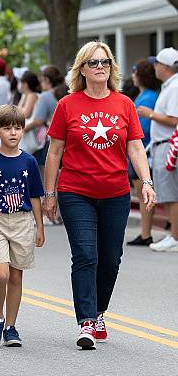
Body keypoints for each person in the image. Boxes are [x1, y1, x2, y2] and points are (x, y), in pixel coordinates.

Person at [44, 41, 156, 350]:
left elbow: (135, 146)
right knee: (85, 255)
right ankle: (87, 322)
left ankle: (99, 311)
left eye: (105, 62)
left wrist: (146, 182)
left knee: (110, 259)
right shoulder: (67, 105)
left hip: (115, 192)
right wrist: (49, 193)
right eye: (93, 63)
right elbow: (55, 151)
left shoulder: (124, 104)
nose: (100, 67)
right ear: (82, 69)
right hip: (75, 191)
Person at [0, 105, 44, 347]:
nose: (13, 133)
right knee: (1, 273)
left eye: (18, 128)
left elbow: (35, 196)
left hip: (22, 222)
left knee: (15, 275)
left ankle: (11, 327)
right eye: (7, 128)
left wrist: (39, 227)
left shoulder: (30, 162)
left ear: (23, 130)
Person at [137, 47, 178, 252]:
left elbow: (174, 119)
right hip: (162, 145)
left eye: (157, 64)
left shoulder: (174, 87)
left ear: (164, 66)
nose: (154, 67)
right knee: (169, 193)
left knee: (171, 194)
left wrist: (150, 114)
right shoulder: (169, 86)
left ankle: (175, 237)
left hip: (168, 145)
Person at [126, 60, 160, 246]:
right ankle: (145, 232)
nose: (133, 76)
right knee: (141, 194)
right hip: (142, 150)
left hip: (143, 151)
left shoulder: (147, 98)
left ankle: (146, 233)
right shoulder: (145, 95)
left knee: (143, 193)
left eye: (135, 72)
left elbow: (142, 129)